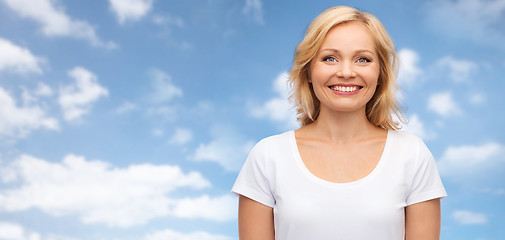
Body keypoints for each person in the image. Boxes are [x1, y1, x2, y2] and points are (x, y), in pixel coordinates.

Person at [232, 5, 447, 240]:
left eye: (363, 59)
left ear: (380, 74)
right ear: (308, 72)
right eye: (330, 58)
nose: (346, 72)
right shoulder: (268, 156)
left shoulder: (412, 155)